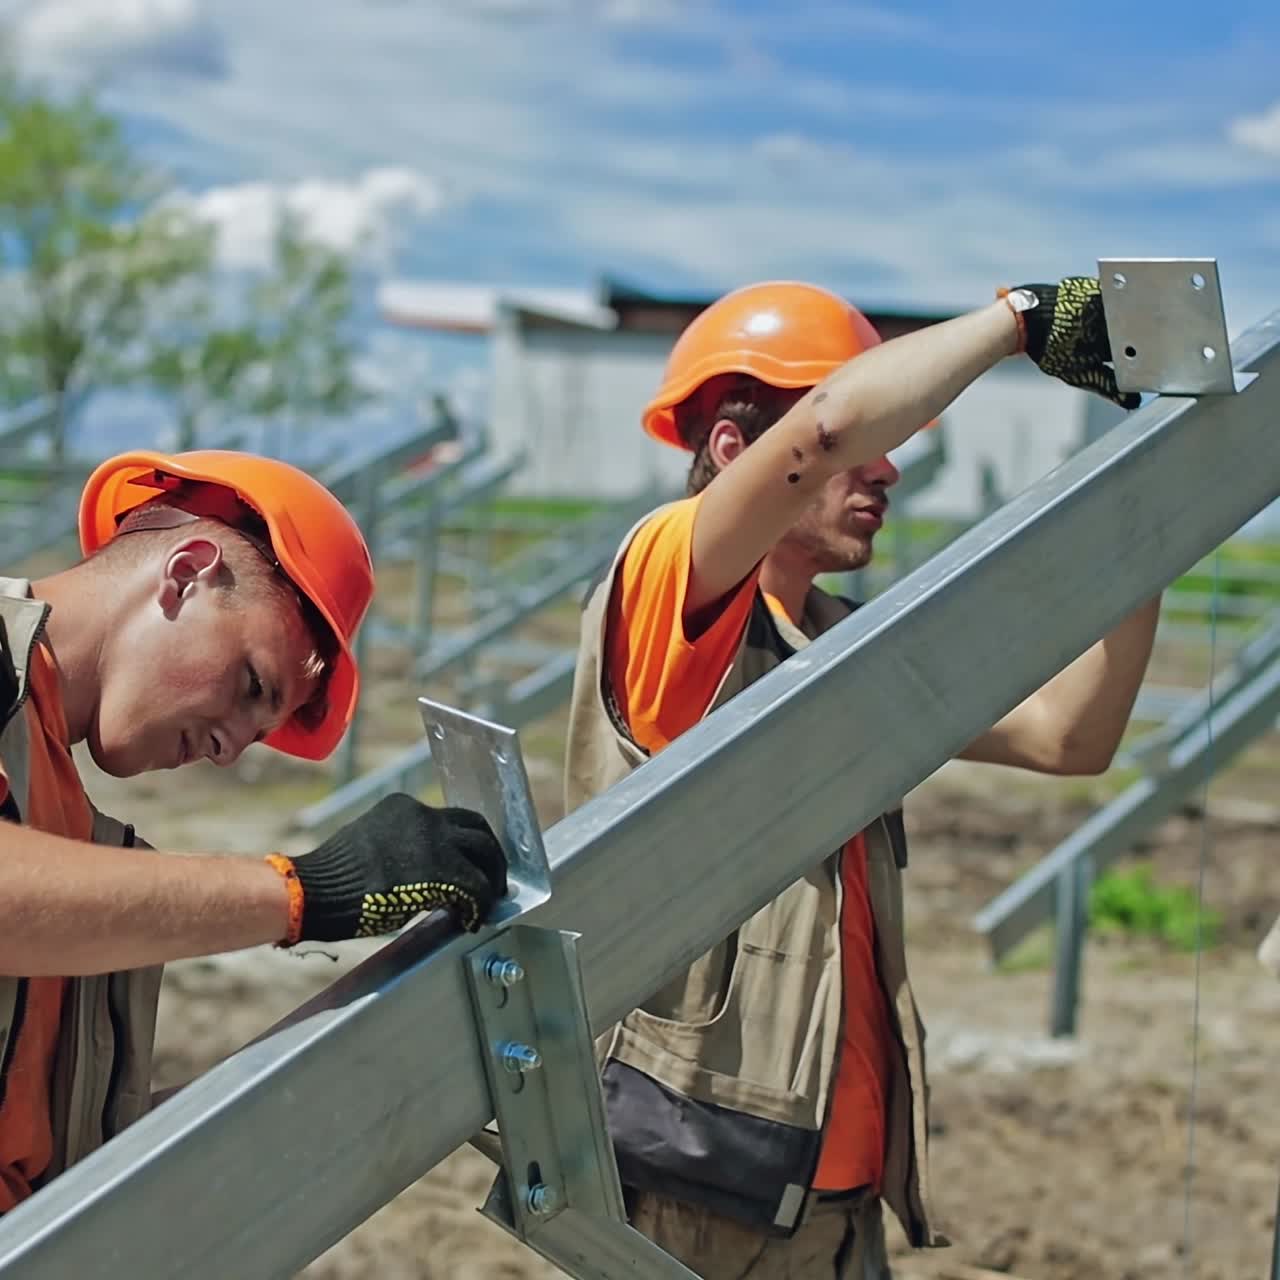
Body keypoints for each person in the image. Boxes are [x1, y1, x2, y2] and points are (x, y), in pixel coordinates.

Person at [564, 277, 1161, 1277]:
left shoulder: (845, 643)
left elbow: (1069, 737)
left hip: (833, 1193)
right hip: (697, 1187)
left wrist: (1148, 514)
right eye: (858, 445)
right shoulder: (667, 588)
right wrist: (1016, 319)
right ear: (729, 448)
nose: (884, 466)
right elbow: (831, 427)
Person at [0, 449, 506, 1215]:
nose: (230, 746)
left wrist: (338, 1055)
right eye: (251, 686)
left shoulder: (60, 810)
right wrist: (306, 892)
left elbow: (62, 1151)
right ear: (187, 573)